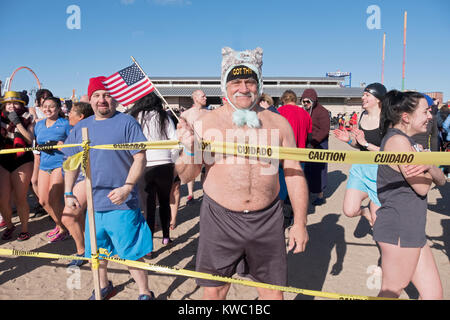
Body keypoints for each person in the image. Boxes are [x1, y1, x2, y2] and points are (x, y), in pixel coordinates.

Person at [176, 47, 309, 300]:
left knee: (272, 291)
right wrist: (190, 150)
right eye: (235, 81)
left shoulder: (278, 123)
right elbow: (186, 176)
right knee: (215, 289)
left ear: (259, 84)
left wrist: (300, 223)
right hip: (220, 218)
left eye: (250, 81)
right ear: (224, 86)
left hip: (267, 218)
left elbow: (293, 173)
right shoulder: (207, 123)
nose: (244, 88)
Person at [63, 76, 154, 300]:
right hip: (94, 203)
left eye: (106, 94)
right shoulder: (81, 127)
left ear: (114, 98)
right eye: (96, 95)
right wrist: (68, 192)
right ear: (90, 100)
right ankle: (104, 286)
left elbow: (140, 158)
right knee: (98, 252)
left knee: (131, 252)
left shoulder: (127, 122)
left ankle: (145, 292)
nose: (102, 99)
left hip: (122, 202)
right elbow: (71, 163)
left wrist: (127, 187)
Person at [374, 90, 446, 299]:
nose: (430, 116)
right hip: (399, 228)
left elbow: (441, 180)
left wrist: (429, 165)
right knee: (392, 290)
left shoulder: (411, 143)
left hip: (412, 228)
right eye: (426, 112)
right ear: (406, 117)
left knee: (433, 295)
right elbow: (422, 188)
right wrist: (429, 165)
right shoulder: (398, 142)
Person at [127, 92, 178, 248]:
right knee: (164, 202)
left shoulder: (135, 117)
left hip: (144, 165)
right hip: (165, 164)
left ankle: (148, 246)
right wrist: (173, 162)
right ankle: (166, 237)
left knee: (148, 207)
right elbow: (175, 141)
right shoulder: (165, 117)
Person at [333, 83, 386, 225]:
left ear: (378, 99)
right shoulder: (362, 116)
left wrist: (366, 144)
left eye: (367, 95)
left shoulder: (387, 121)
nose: (363, 97)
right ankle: (366, 211)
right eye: (363, 94)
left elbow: (390, 153)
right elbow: (360, 145)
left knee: (378, 223)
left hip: (380, 172)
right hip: (361, 169)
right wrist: (349, 141)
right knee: (350, 211)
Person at [33, 97, 72, 242]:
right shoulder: (39, 125)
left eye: (51, 106)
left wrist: (62, 144)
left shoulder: (65, 124)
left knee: (55, 199)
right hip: (44, 164)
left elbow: (75, 143)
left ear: (58, 109)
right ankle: (61, 225)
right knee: (43, 201)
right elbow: (37, 143)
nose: (48, 109)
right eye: (45, 106)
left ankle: (66, 228)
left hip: (59, 163)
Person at [61, 102, 94, 267]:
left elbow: (75, 156)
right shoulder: (75, 130)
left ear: (81, 116)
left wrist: (60, 147)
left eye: (71, 112)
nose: (68, 115)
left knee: (68, 217)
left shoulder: (85, 130)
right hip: (77, 177)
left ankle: (83, 252)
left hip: (85, 177)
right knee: (77, 216)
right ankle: (86, 249)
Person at [0, 91, 35, 241]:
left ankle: (24, 228)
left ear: (21, 104)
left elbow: (29, 139)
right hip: (4, 158)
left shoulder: (28, 118)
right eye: (8, 103)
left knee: (20, 198)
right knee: (2, 199)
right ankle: (9, 226)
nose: (11, 106)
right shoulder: (0, 118)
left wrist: (18, 123)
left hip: (22, 159)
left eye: (15, 103)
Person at [301, 88, 330, 206]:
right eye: (304, 102)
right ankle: (306, 192)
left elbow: (324, 130)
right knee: (307, 169)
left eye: (308, 102)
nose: (305, 104)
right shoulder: (304, 111)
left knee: (319, 170)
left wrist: (314, 142)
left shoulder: (322, 112)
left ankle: (320, 195)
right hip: (308, 143)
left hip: (319, 144)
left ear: (313, 101)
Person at [180, 89, 209, 205]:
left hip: (207, 147)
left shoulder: (210, 113)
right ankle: (190, 194)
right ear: (196, 98)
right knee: (191, 171)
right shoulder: (186, 114)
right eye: (203, 96)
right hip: (192, 147)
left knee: (206, 171)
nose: (206, 98)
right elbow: (181, 132)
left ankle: (206, 193)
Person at [29, 89, 53, 218]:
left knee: (50, 181)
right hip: (37, 146)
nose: (45, 99)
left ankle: (50, 206)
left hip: (50, 147)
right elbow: (34, 121)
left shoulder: (53, 109)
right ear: (38, 100)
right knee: (34, 180)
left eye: (48, 97)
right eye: (42, 98)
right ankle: (43, 204)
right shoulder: (33, 109)